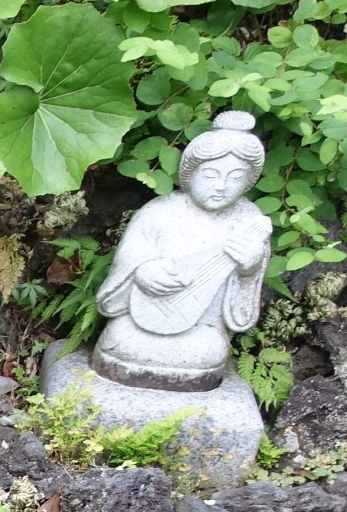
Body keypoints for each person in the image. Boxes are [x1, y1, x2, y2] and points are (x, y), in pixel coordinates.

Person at [91, 109, 273, 392]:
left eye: (235, 177)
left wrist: (249, 268)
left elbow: (241, 313)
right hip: (140, 322)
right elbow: (126, 267)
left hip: (202, 330)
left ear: (249, 181)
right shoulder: (159, 212)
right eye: (211, 175)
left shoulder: (249, 221)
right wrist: (143, 272)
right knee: (119, 337)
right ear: (190, 173)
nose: (221, 186)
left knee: (208, 350)